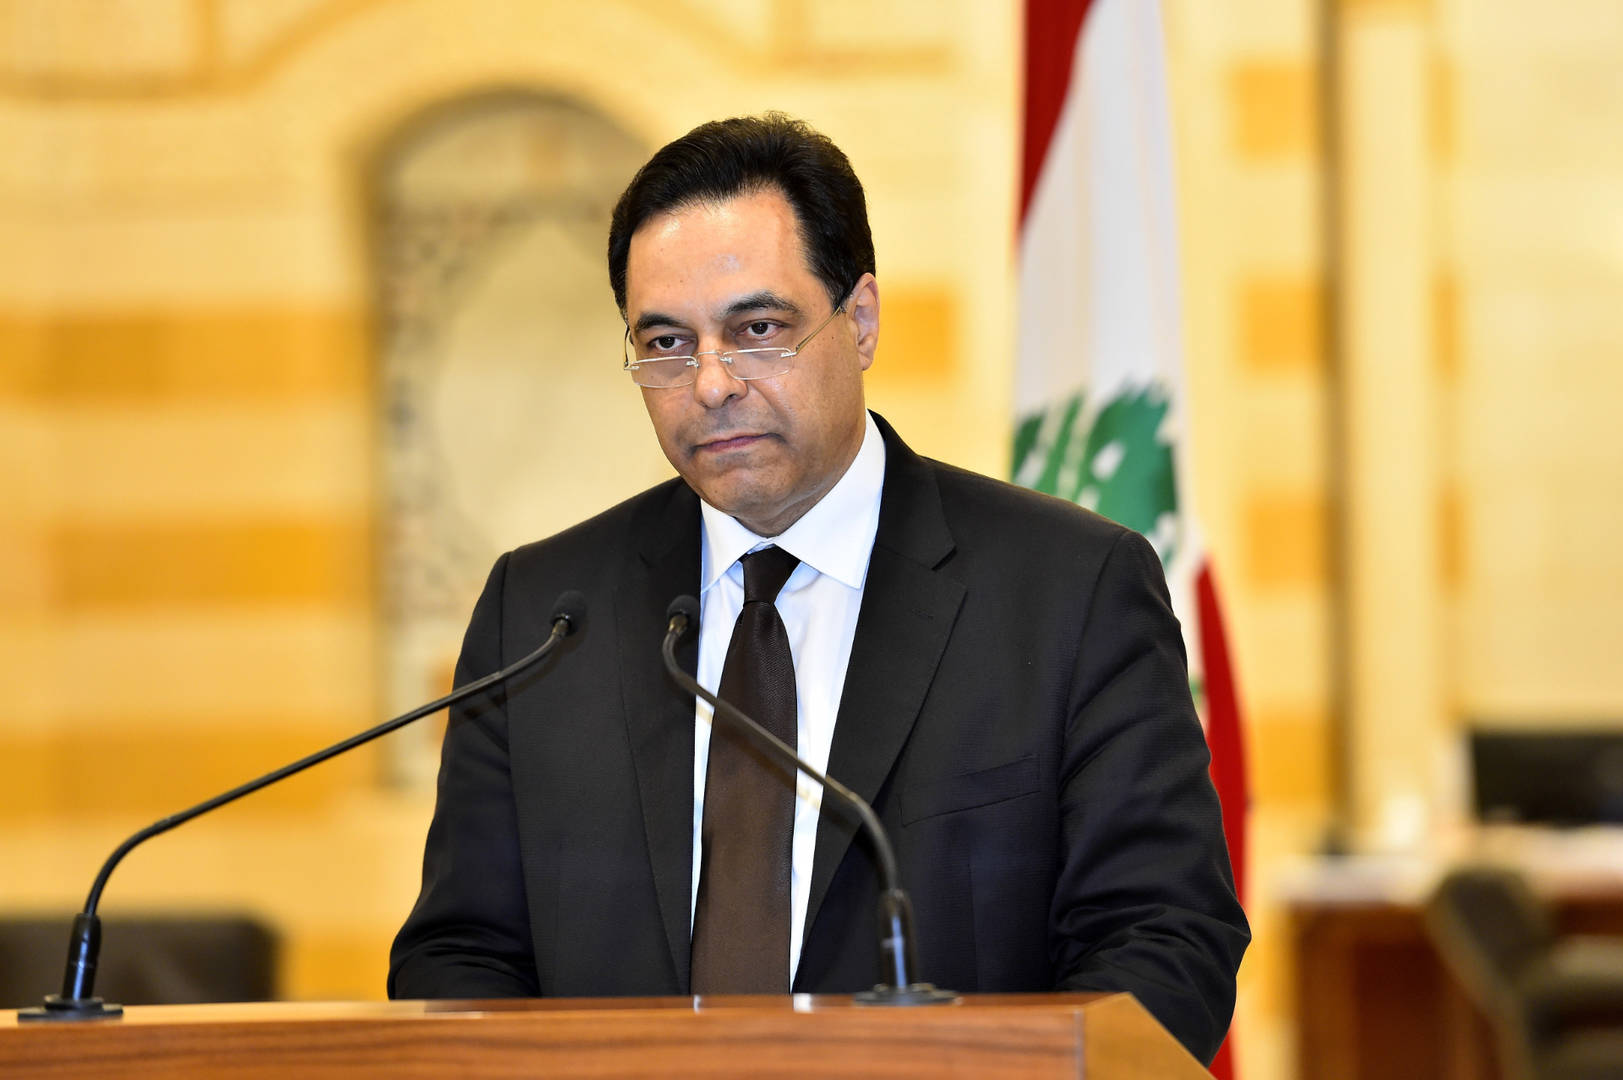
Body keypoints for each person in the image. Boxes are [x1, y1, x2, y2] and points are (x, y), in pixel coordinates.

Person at [389, 113, 1248, 1064]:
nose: (710, 383)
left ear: (861, 319)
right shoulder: (545, 614)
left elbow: (1163, 938)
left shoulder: (1067, 592)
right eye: (666, 342)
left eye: (756, 329)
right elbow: (462, 954)